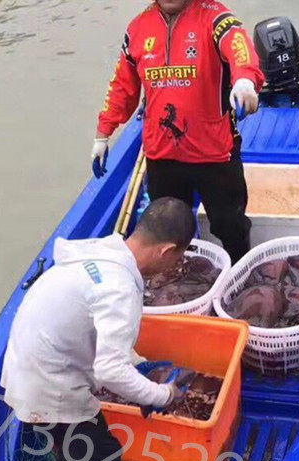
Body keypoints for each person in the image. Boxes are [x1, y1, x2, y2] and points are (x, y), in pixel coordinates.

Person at [1, 197, 195, 461]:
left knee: (76, 448)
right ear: (167, 250)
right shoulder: (120, 289)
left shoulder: (100, 254)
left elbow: (89, 328)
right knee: (102, 460)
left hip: (25, 363)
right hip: (49, 386)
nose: (176, 265)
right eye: (177, 257)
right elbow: (110, 372)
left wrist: (135, 362)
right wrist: (163, 394)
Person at [92, 0, 264, 263]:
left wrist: (244, 80)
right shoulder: (138, 28)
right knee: (168, 234)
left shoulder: (216, 18)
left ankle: (242, 270)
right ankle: (178, 284)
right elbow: (122, 87)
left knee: (229, 225)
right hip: (162, 155)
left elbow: (239, 49)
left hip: (214, 153)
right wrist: (103, 133)